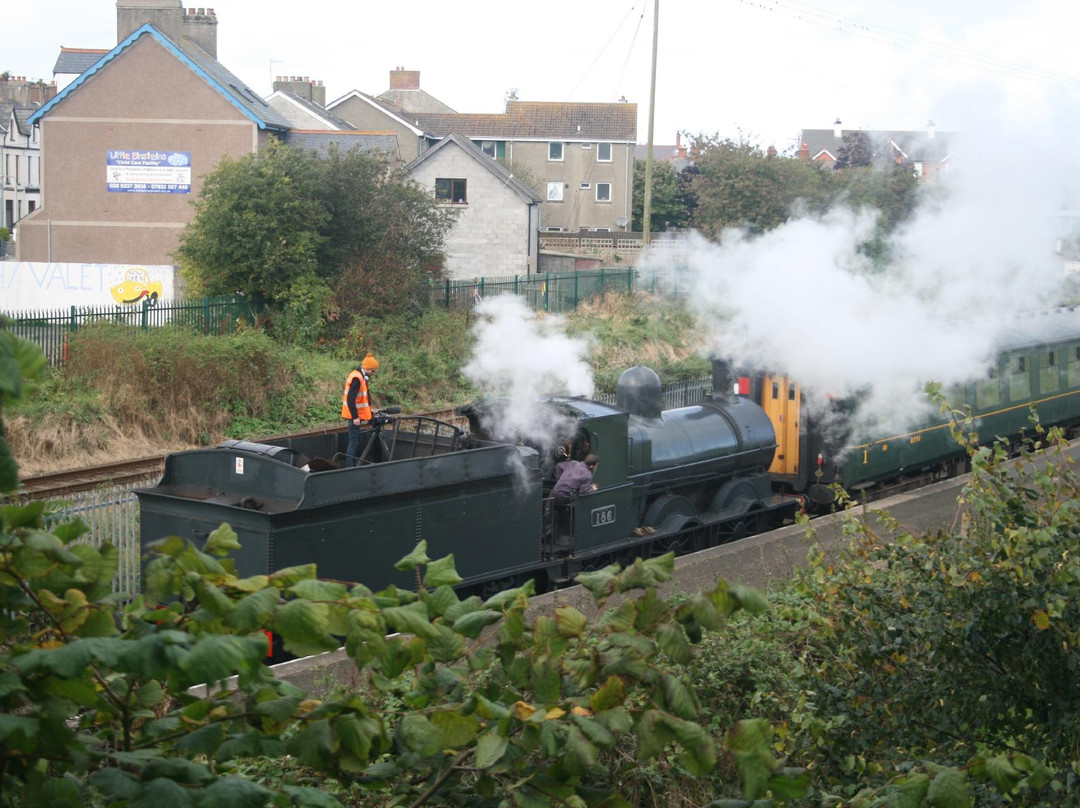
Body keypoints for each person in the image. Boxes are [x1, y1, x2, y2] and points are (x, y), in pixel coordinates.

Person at [341, 352, 379, 467]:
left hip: (356, 414)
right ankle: (349, 467)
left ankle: (351, 465)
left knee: (355, 441)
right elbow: (350, 399)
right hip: (354, 416)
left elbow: (363, 398)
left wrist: (369, 411)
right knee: (354, 442)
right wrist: (355, 417)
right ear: (367, 369)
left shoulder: (361, 376)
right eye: (373, 371)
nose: (373, 374)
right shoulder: (357, 378)